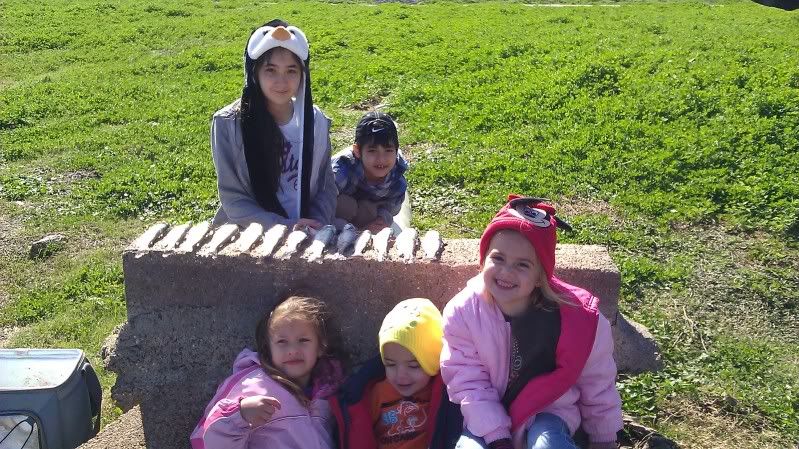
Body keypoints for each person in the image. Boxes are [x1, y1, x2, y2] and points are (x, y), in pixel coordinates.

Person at [440, 196, 623, 449]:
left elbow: (597, 381)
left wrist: (604, 437)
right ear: (483, 260)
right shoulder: (463, 312)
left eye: (522, 265)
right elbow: (468, 381)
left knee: (547, 444)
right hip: (484, 415)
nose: (506, 272)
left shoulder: (577, 321)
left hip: (548, 411)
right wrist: (496, 437)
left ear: (540, 276)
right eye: (498, 258)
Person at [211, 19, 336, 230]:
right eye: (271, 70)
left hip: (308, 230)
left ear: (303, 75)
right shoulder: (228, 124)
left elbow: (326, 187)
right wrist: (284, 226)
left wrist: (316, 223)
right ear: (255, 73)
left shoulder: (317, 121)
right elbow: (234, 198)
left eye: (291, 70)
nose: (282, 82)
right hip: (250, 233)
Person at [190, 295, 348, 449]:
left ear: (320, 347)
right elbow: (207, 440)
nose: (293, 350)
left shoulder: (329, 395)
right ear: (269, 349)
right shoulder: (253, 385)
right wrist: (241, 414)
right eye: (282, 342)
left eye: (303, 340)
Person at [329, 298, 462, 449]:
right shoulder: (376, 393)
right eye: (390, 364)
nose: (401, 376)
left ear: (432, 361)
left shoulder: (444, 394)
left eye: (413, 366)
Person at [331, 112, 408, 232]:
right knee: (346, 206)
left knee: (369, 210)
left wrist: (381, 220)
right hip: (335, 216)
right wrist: (349, 230)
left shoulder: (396, 179)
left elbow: (390, 210)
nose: (381, 159)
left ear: (396, 151)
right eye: (372, 151)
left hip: (366, 213)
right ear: (357, 151)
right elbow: (322, 204)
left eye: (388, 150)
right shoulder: (341, 169)